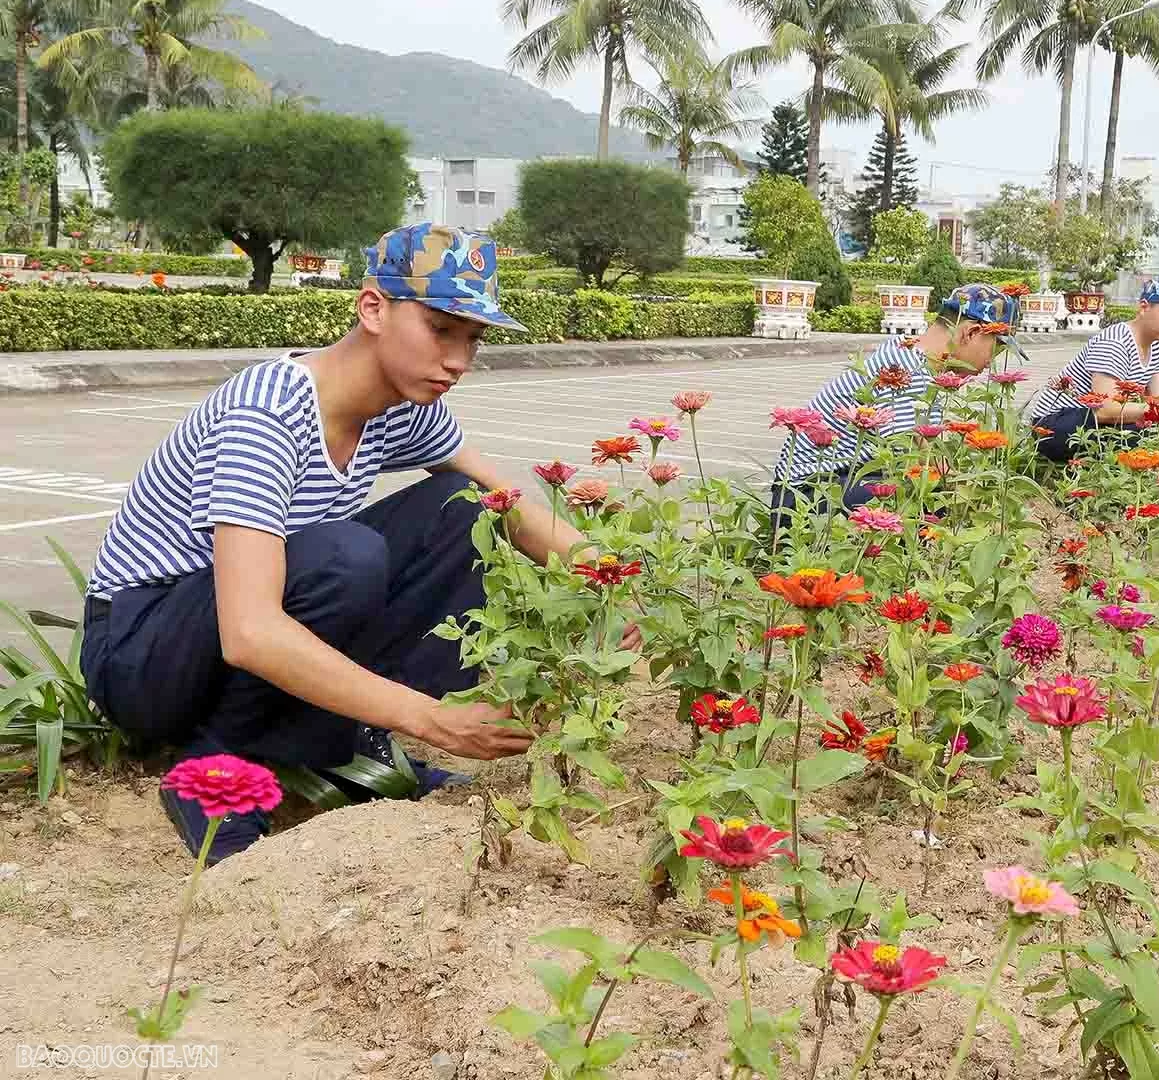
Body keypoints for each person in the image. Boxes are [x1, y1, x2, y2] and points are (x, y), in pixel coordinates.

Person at [80, 223, 637, 862]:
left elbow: (507, 504)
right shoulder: (268, 413)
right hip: (142, 651)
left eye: (472, 339)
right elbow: (250, 631)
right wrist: (428, 718)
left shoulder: (404, 405)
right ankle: (213, 774)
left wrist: (606, 580)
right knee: (346, 557)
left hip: (223, 638)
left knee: (463, 509)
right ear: (373, 307)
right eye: (440, 329)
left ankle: (348, 743)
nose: (458, 360)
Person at [769, 282, 1021, 518]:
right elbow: (913, 455)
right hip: (807, 496)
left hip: (844, 480)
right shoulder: (902, 370)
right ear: (971, 332)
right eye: (996, 347)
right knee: (924, 493)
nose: (992, 362)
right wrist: (975, 498)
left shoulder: (911, 355)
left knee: (927, 492)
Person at [1027, 274, 1159, 462]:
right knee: (1139, 434)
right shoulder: (1115, 342)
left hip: (1092, 421)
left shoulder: (1155, 348)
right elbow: (1106, 410)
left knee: (1153, 431)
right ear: (1144, 307)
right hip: (1056, 423)